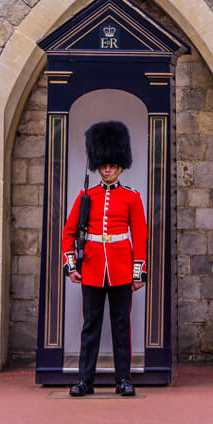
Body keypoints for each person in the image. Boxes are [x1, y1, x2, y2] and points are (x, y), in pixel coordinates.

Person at [62, 121, 147, 397]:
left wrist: (138, 273)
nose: (108, 169)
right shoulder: (86, 196)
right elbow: (69, 232)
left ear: (120, 167)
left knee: (121, 327)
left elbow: (140, 237)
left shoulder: (131, 198)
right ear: (98, 166)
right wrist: (72, 266)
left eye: (112, 165)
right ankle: (85, 380)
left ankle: (123, 379)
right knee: (91, 328)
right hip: (93, 269)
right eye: (104, 165)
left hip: (121, 269)